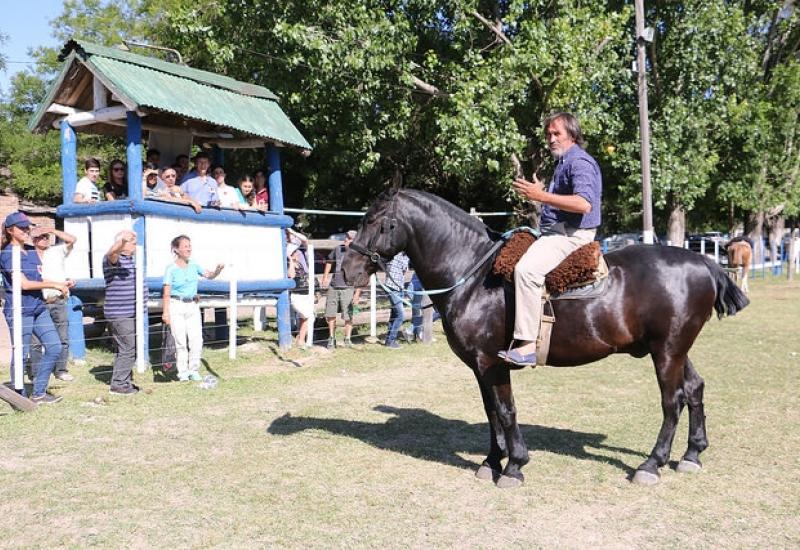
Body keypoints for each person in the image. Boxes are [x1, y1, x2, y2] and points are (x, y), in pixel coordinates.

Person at [498, 112, 602, 367]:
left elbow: (583, 204)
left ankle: (527, 345)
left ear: (573, 134)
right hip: (556, 232)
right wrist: (540, 195)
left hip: (571, 236)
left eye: (557, 133)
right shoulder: (563, 162)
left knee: (526, 271)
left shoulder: (579, 162)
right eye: (548, 134)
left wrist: (541, 196)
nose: (551, 138)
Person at [0, 212, 69, 404]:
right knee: (21, 353)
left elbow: (38, 280)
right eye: (21, 227)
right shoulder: (7, 254)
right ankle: (18, 397)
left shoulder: (31, 251)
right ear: (10, 230)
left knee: (54, 347)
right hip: (20, 311)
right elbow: (24, 284)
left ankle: (39, 392)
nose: (25, 230)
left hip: (38, 308)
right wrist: (54, 285)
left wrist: (61, 283)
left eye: (27, 227)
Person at [162, 235, 224, 381]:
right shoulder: (170, 269)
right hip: (176, 305)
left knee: (196, 339)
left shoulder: (194, 265)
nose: (189, 248)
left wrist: (217, 270)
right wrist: (166, 312)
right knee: (180, 340)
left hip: (192, 305)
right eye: (185, 246)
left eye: (189, 245)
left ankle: (193, 370)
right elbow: (166, 292)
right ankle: (182, 372)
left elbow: (209, 275)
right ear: (176, 250)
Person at [30, 226, 77, 382]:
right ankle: (36, 373)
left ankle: (60, 370)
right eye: (41, 236)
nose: (45, 238)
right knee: (35, 340)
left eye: (46, 236)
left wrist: (51, 230)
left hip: (56, 299)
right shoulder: (28, 255)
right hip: (37, 301)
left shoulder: (56, 251)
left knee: (62, 337)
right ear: (34, 239)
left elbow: (72, 239)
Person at [103, 230, 143, 395]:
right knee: (128, 347)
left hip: (131, 312)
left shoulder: (132, 261)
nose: (135, 244)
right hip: (120, 313)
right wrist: (121, 240)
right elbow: (112, 253)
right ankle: (119, 384)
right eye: (131, 241)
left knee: (126, 348)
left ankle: (123, 380)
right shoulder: (113, 259)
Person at [321, 230, 360, 349]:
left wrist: (357, 294)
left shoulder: (359, 255)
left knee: (348, 315)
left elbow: (362, 275)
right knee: (330, 314)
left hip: (348, 288)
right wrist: (325, 277)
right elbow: (329, 262)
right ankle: (331, 338)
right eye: (346, 237)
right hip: (334, 286)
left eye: (349, 238)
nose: (346, 239)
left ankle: (347, 339)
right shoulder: (338, 249)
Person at [286, 229, 312, 348]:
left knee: (306, 316)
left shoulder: (301, 252)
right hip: (296, 292)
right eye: (294, 252)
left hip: (305, 289)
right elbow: (291, 275)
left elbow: (305, 240)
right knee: (305, 314)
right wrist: (291, 261)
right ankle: (299, 338)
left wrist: (291, 231)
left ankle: (300, 339)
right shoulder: (289, 262)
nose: (297, 253)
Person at [383, 252, 409, 349]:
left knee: (394, 314)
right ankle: (391, 341)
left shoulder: (405, 256)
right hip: (392, 287)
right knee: (401, 315)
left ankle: (388, 340)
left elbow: (404, 271)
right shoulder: (393, 254)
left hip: (399, 287)